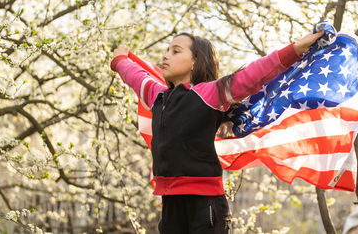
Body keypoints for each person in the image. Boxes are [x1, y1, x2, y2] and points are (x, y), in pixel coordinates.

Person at [110, 30, 324, 234]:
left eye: (175, 51)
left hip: (205, 204)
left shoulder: (210, 94)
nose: (166, 56)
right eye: (167, 50)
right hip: (171, 203)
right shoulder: (156, 96)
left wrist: (295, 49)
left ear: (195, 61)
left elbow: (254, 74)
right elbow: (135, 76)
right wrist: (120, 60)